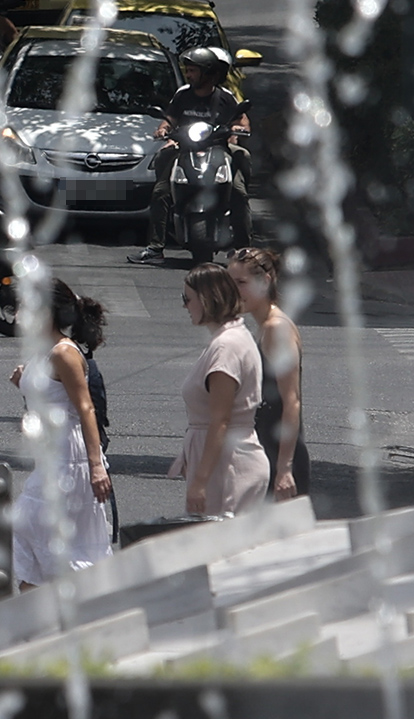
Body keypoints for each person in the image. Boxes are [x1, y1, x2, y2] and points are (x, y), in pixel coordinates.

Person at [9, 280, 114, 590]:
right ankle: (38, 628)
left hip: (71, 459)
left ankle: (75, 620)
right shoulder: (42, 353)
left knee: (52, 540)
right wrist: (24, 382)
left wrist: (96, 465)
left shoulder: (63, 353)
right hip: (51, 456)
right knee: (32, 539)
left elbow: (85, 409)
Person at [129, 47, 251, 266]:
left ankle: (243, 249)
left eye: (193, 70)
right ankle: (155, 247)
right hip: (185, 148)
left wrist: (237, 132)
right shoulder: (183, 94)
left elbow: (241, 120)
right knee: (160, 191)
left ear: (208, 72)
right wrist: (163, 130)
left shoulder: (225, 97)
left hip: (219, 148)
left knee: (239, 190)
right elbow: (170, 119)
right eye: (188, 70)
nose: (188, 74)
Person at [171, 263, 270, 515]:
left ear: (206, 299)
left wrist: (200, 481)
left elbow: (220, 420)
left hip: (229, 466)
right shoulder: (229, 338)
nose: (184, 306)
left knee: (220, 549)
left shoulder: (226, 346)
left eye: (187, 298)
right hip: (225, 461)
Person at [228, 247, 308, 501]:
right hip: (264, 447)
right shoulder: (263, 327)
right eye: (230, 282)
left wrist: (284, 469)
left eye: (241, 283)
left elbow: (292, 402)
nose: (233, 291)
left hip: (280, 454)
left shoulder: (276, 328)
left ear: (265, 281)